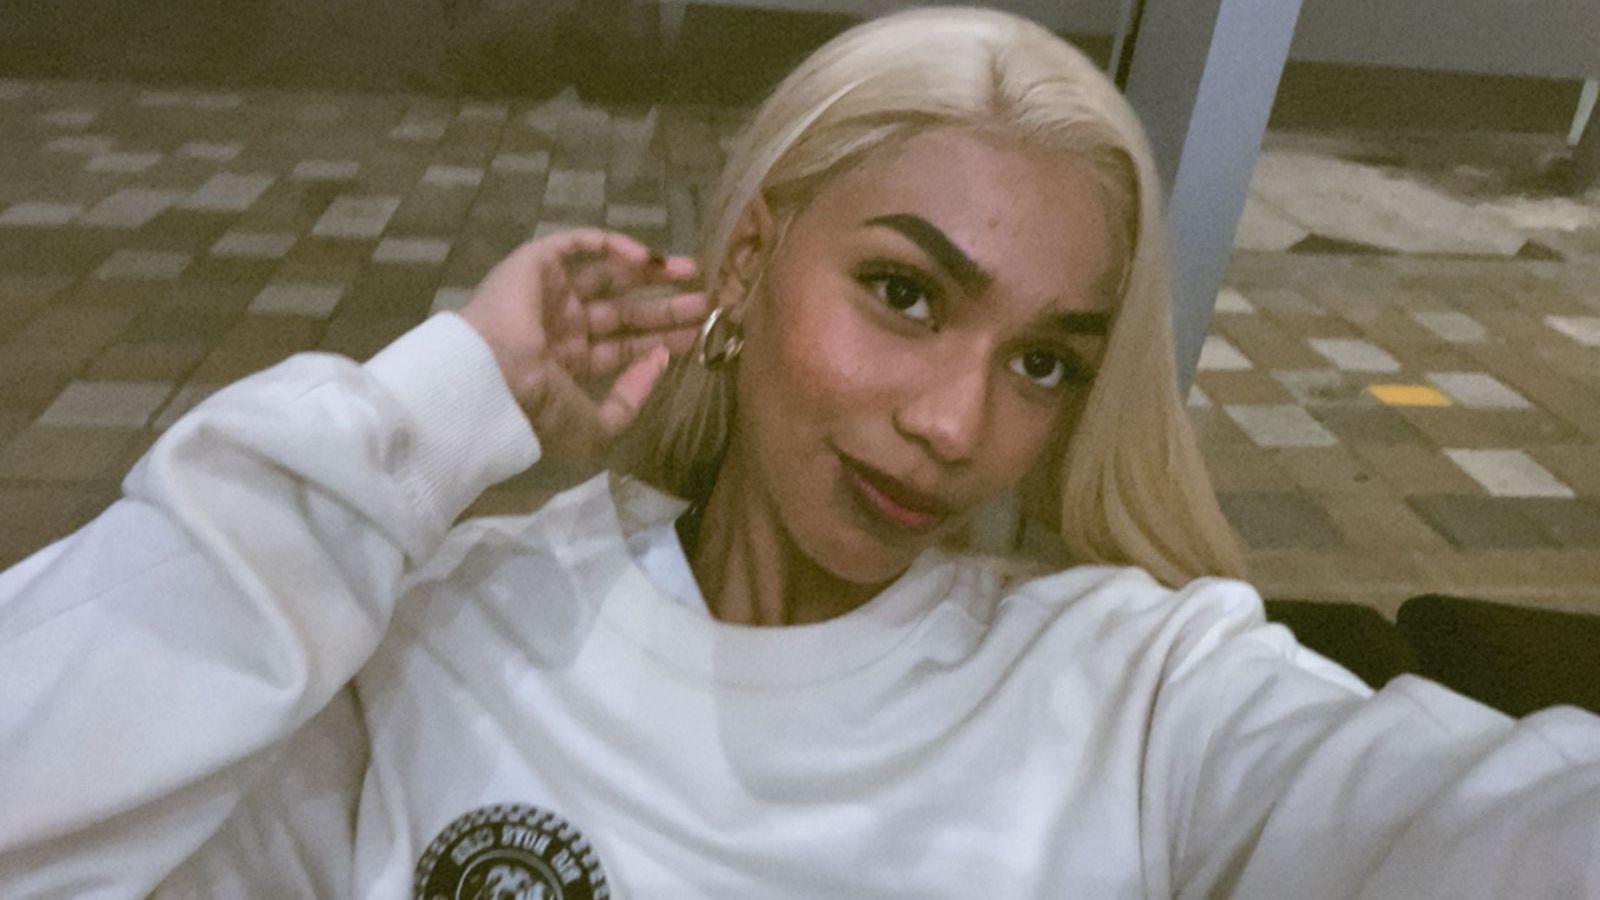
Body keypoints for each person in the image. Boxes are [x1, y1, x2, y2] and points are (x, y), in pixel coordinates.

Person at [2, 7, 1597, 898]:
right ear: (755, 256)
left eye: (1045, 360)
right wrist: (418, 422)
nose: (957, 425)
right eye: (905, 294)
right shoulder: (447, 639)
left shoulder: (1139, 690)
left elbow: (1482, 821)